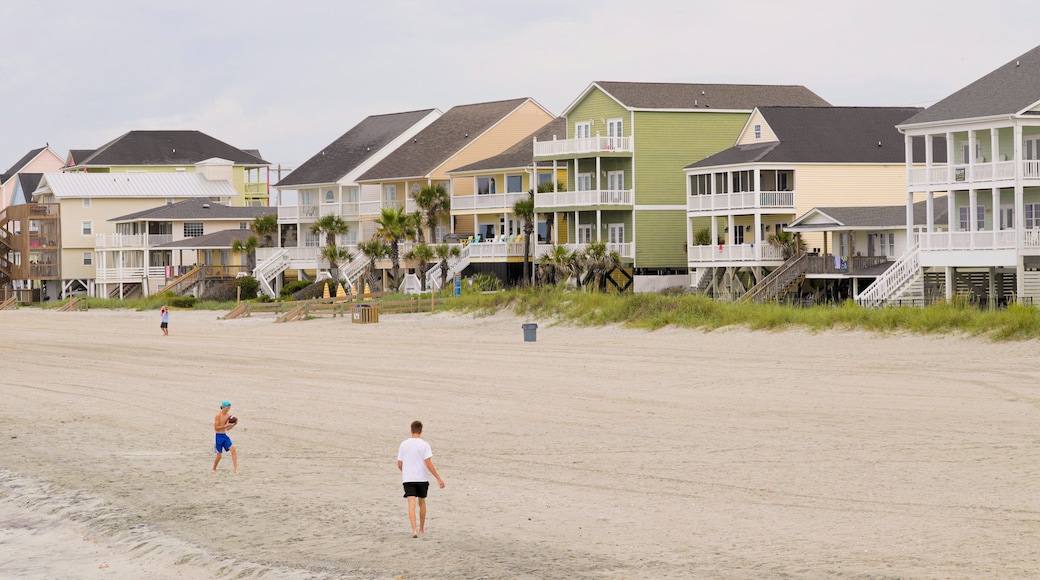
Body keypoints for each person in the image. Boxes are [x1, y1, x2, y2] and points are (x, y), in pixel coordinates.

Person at [397, 420, 445, 538]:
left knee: (411, 503)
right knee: (422, 502)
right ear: (421, 431)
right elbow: (428, 463)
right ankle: (422, 528)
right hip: (422, 479)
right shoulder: (424, 444)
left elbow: (399, 463)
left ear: (411, 430)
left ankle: (414, 530)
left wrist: (407, 471)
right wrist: (439, 479)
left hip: (408, 479)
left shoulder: (404, 444)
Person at [213, 400, 238, 473]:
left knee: (233, 449)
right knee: (219, 456)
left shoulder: (228, 416)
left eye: (229, 408)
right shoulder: (218, 415)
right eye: (227, 408)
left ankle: (235, 469)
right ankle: (214, 468)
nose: (228, 409)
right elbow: (216, 427)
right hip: (217, 436)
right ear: (223, 407)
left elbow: (227, 429)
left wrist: (233, 424)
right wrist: (225, 426)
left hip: (224, 435)